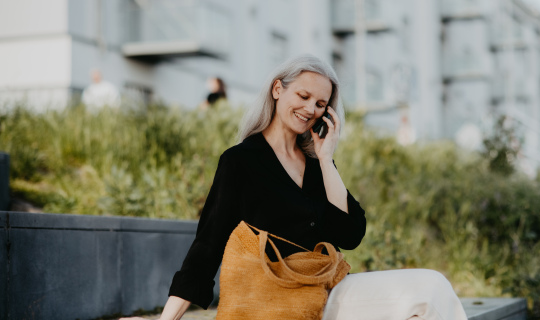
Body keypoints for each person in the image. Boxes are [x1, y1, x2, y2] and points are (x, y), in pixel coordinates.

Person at [121, 56, 468, 320]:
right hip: (275, 299)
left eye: (320, 104)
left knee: (431, 287)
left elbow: (350, 234)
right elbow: (207, 244)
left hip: (325, 291)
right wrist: (166, 319)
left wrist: (327, 158)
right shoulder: (241, 161)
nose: (310, 110)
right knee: (430, 290)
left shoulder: (317, 164)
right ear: (277, 89)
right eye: (303, 96)